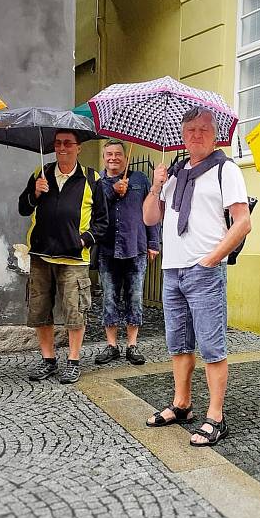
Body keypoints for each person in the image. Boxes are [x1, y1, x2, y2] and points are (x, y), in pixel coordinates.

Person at [142, 106, 251, 447]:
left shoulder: (226, 169)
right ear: (183, 135)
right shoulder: (174, 173)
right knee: (179, 344)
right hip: (172, 270)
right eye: (190, 131)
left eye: (203, 129)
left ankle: (216, 416)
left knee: (211, 347)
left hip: (203, 270)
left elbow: (243, 222)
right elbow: (149, 219)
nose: (196, 136)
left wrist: (211, 259)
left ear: (214, 133)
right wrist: (156, 187)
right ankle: (182, 404)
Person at [18, 129, 108, 385]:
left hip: (73, 258)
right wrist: (34, 194)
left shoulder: (92, 178)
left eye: (68, 143)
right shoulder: (41, 174)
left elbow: (103, 222)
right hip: (41, 255)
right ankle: (48, 360)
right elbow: (23, 208)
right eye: (57, 143)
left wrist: (83, 240)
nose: (62, 148)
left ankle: (73, 360)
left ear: (78, 147)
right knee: (40, 311)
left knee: (74, 311)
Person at [94, 139, 160, 366]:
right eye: (109, 154)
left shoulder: (140, 179)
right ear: (104, 158)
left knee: (135, 297)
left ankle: (132, 345)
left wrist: (154, 242)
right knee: (109, 298)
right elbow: (93, 212)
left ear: (124, 156)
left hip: (136, 247)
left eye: (117, 154)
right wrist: (112, 192)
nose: (113, 158)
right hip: (107, 248)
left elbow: (152, 210)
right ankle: (111, 345)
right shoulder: (98, 183)